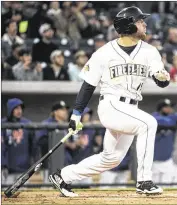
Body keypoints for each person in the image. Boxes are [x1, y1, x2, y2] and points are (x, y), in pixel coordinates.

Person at [49, 6, 170, 197]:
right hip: (112, 105)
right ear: (129, 25)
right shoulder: (104, 52)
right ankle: (144, 181)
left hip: (131, 109)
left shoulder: (150, 51)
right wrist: (76, 114)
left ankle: (63, 176)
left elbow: (160, 80)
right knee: (149, 124)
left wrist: (162, 78)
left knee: (111, 159)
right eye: (140, 21)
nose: (145, 24)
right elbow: (88, 85)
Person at [1, 98, 38, 184]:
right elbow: (1, 147)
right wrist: (2, 165)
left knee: (24, 194)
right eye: (16, 108)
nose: (19, 111)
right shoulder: (2, 124)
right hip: (7, 170)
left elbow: (34, 146)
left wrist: (35, 162)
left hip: (24, 169)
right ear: (10, 109)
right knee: (5, 194)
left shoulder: (27, 123)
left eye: (21, 108)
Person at [36, 101, 69, 182]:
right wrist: (56, 140)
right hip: (49, 165)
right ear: (55, 112)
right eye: (63, 110)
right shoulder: (47, 123)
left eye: (66, 110)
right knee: (48, 189)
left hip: (64, 164)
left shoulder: (66, 125)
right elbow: (40, 141)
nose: (65, 112)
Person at [152, 99, 177, 184]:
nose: (169, 109)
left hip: (167, 160)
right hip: (153, 161)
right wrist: (170, 126)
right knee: (153, 186)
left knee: (167, 185)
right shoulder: (154, 117)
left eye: (170, 107)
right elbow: (158, 120)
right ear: (160, 108)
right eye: (166, 107)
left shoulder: (173, 117)